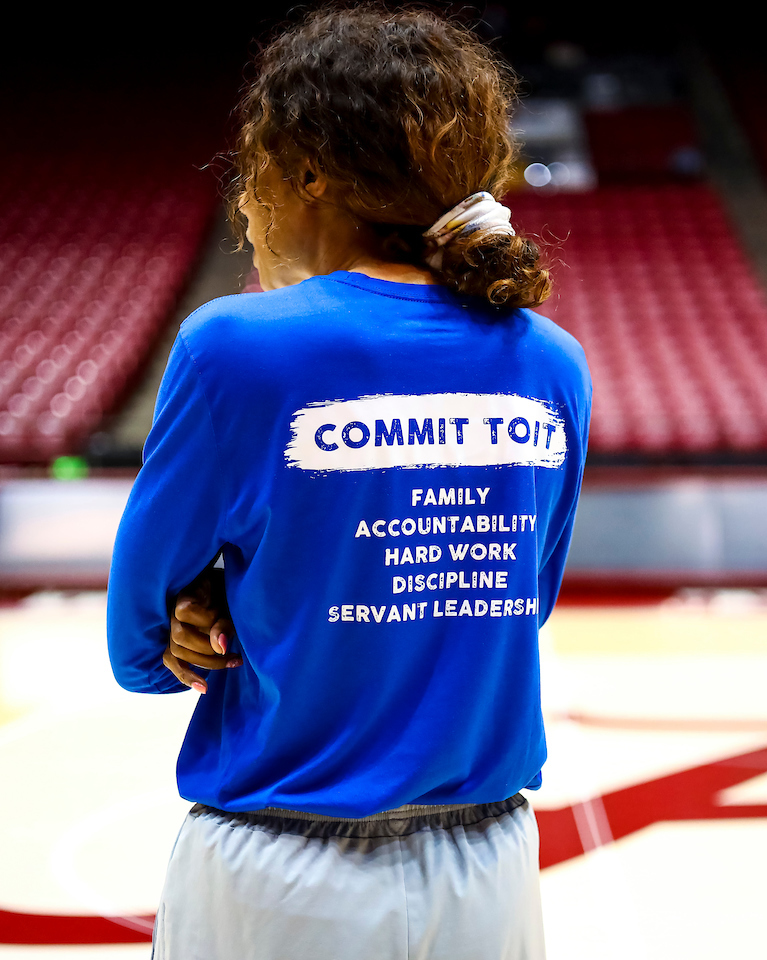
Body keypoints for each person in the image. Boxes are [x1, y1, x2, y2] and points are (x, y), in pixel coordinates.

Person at [106, 6, 591, 959]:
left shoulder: (235, 344)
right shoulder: (553, 362)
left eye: (252, 171)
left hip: (278, 875)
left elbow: (140, 646)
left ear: (309, 171)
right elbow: (515, 606)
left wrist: (213, 600)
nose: (243, 205)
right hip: (491, 869)